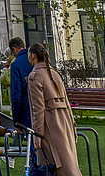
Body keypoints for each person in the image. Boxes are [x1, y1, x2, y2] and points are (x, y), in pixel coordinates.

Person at [25, 44, 81, 176]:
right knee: (68, 164)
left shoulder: (35, 76)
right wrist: (73, 126)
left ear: (32, 55)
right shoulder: (54, 73)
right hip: (65, 121)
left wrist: (37, 135)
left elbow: (38, 109)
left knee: (57, 166)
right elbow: (66, 102)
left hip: (50, 125)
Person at [7, 37, 32, 132]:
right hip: (42, 109)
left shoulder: (16, 64)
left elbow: (16, 94)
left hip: (26, 110)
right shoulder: (36, 59)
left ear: (14, 49)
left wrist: (17, 121)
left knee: (30, 137)